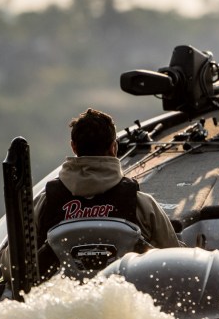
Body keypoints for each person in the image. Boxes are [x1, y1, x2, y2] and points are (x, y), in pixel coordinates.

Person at [34, 108, 181, 275]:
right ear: (114, 147)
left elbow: (18, 263)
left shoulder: (44, 203)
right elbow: (174, 261)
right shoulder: (143, 205)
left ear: (73, 147)